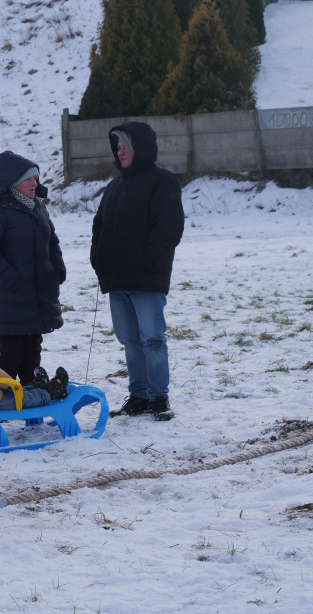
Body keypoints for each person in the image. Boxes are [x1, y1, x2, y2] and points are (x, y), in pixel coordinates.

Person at [90, 122, 185, 421]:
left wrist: (149, 262)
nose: (120, 152)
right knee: (130, 341)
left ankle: (159, 397)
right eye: (117, 147)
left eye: (125, 146)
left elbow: (169, 229)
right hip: (116, 280)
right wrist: (98, 259)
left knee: (152, 339)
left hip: (147, 279)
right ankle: (139, 396)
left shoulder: (162, 181)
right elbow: (99, 226)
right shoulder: (114, 187)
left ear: (139, 147)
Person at [0, 150, 67, 387]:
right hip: (12, 295)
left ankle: (31, 395)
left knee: (33, 349)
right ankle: (1, 396)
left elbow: (52, 241)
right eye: (29, 179)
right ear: (13, 181)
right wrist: (11, 280)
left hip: (39, 292)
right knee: (12, 352)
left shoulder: (38, 207)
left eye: (36, 178)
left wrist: (57, 269)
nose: (34, 183)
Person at [0, 365, 70, 410]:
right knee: (23, 398)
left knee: (16, 392)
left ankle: (37, 387)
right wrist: (11, 385)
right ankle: (51, 392)